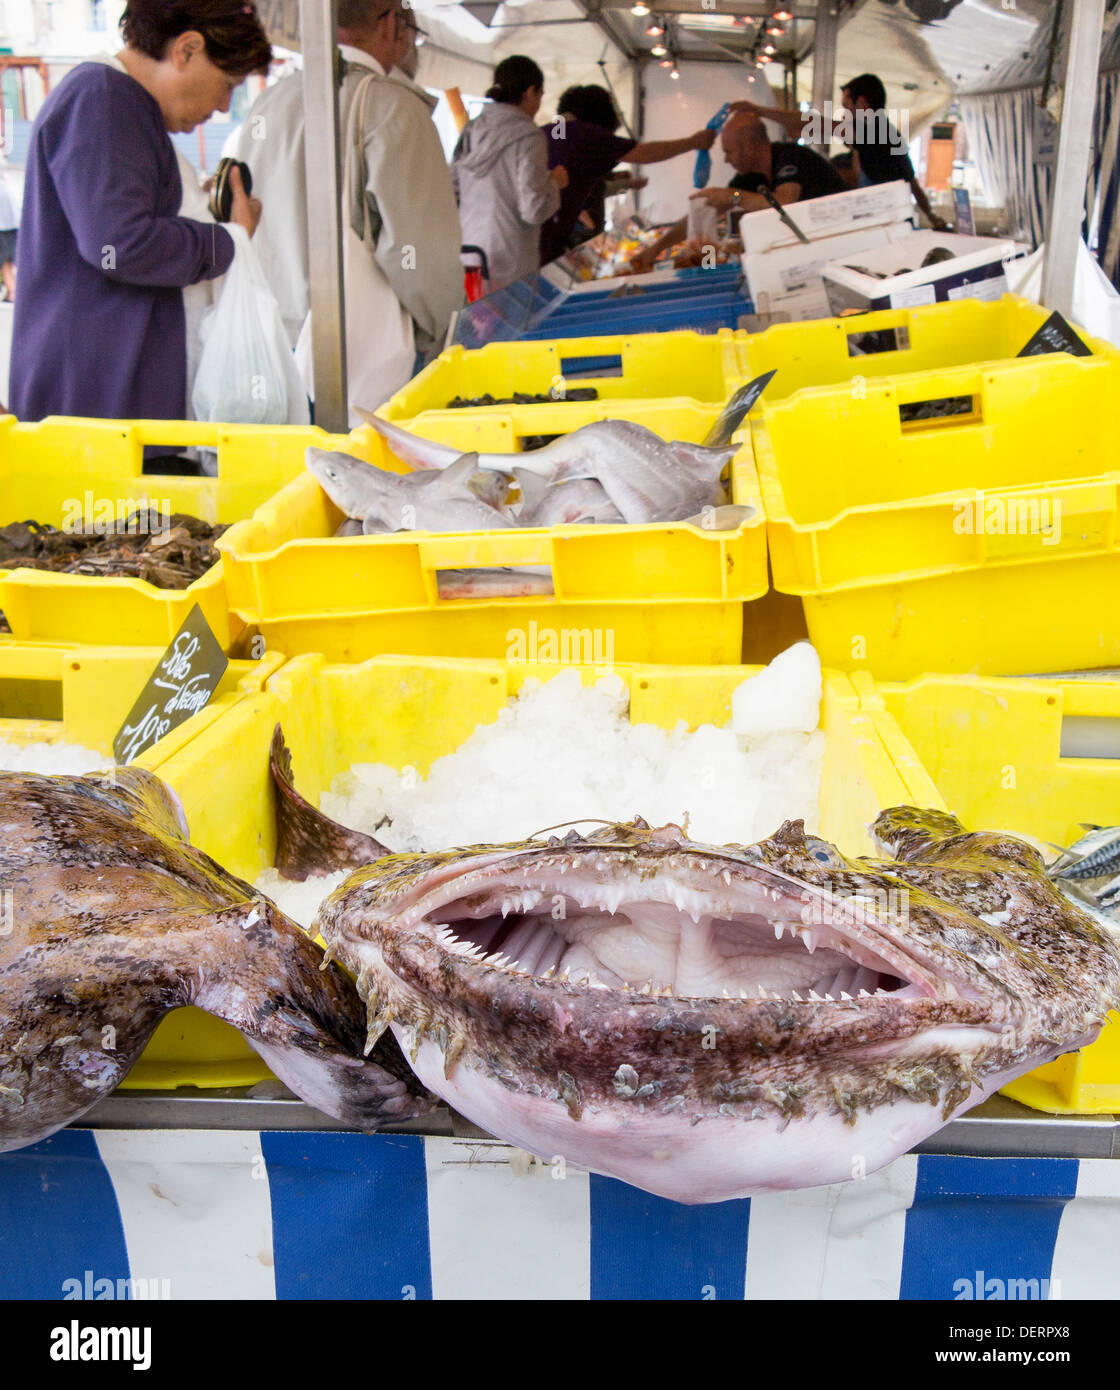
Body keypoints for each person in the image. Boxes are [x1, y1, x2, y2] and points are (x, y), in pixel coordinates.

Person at [10, 0, 269, 423]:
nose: (224, 106)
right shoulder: (103, 99)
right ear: (186, 49)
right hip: (98, 413)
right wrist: (226, 239)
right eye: (228, 83)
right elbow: (119, 243)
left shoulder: (119, 104)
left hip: (110, 404)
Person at [230, 0, 463, 417]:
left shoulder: (267, 105)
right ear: (391, 24)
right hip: (359, 360)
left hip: (272, 351)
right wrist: (445, 330)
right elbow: (415, 254)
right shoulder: (393, 108)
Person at [731, 72, 950, 230]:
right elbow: (911, 182)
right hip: (893, 221)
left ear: (862, 103)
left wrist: (758, 110)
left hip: (883, 225)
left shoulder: (871, 129)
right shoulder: (888, 134)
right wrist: (931, 215)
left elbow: (810, 123)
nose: (844, 114)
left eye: (847, 107)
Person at [628, 112, 845, 272]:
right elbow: (705, 211)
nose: (726, 159)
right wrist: (655, 249)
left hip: (841, 247)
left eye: (728, 152)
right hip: (808, 252)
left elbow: (785, 204)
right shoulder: (749, 176)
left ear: (750, 147)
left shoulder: (791, 157)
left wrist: (732, 196)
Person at [540, 83, 715, 266]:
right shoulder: (582, 132)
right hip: (540, 243)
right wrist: (694, 142)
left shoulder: (551, 132)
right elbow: (644, 153)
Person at [452, 55, 568, 292]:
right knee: (506, 326)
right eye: (540, 96)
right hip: (511, 260)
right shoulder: (528, 136)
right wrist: (554, 183)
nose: (538, 105)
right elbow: (533, 209)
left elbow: (452, 190)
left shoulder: (471, 130)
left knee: (477, 323)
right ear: (530, 92)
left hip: (470, 255)